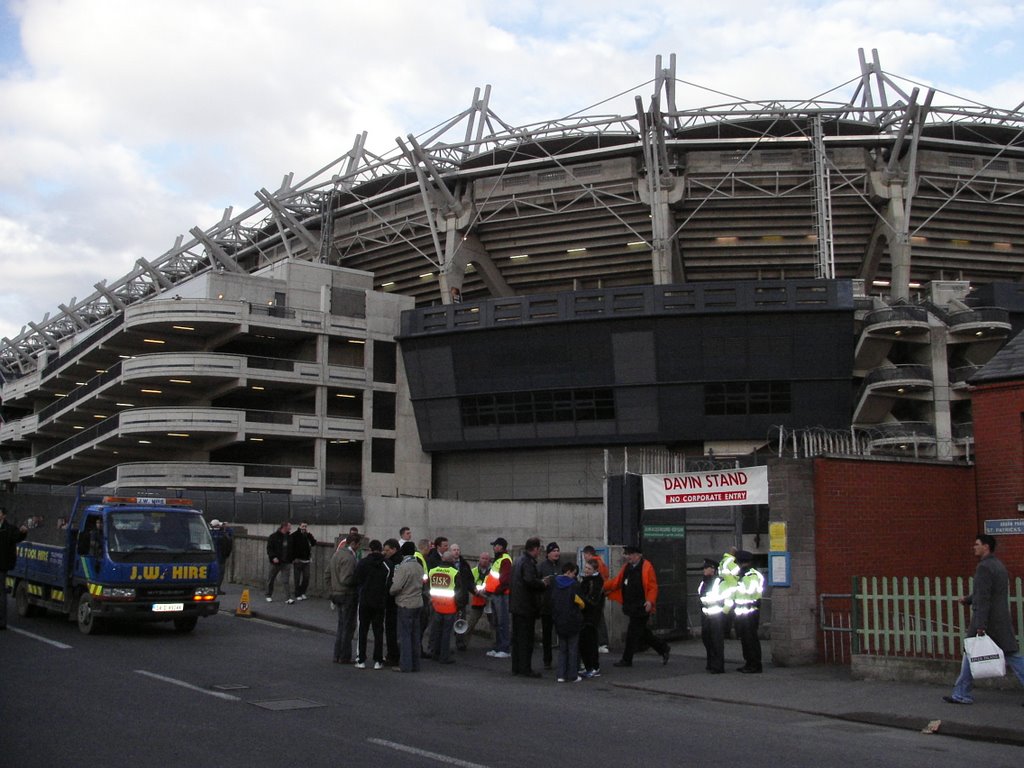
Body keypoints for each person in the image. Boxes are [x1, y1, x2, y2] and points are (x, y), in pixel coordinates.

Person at [944, 534, 1024, 705]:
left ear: (986, 547)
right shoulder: (998, 565)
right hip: (999, 619)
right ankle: (960, 692)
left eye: (977, 544)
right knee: (976, 655)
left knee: (1010, 658)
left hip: (987, 621)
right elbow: (987, 593)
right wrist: (968, 599)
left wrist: (981, 625)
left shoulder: (984, 568)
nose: (974, 547)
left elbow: (985, 598)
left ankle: (961, 693)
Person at [605, 545, 671, 667]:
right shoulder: (627, 568)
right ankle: (663, 648)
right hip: (631, 606)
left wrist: (650, 601)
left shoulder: (647, 567)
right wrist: (604, 586)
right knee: (642, 632)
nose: (627, 556)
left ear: (638, 555)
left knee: (632, 633)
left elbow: (652, 587)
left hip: (642, 606)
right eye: (627, 554)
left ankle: (626, 659)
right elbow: (617, 582)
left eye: (630, 554)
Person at [510, 536, 549, 677]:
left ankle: (517, 667)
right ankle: (525, 668)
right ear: (536, 548)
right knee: (526, 639)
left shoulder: (518, 560)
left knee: (518, 639)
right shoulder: (527, 562)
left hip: (516, 605)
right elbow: (529, 580)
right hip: (525, 606)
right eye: (539, 549)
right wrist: (542, 583)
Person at [390, 540, 424, 672]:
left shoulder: (404, 567)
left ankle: (405, 664)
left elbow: (396, 587)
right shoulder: (419, 566)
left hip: (405, 603)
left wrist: (391, 591)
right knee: (415, 636)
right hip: (418, 602)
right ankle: (416, 664)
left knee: (404, 636)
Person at [354, 539, 389, 669]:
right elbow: (389, 582)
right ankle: (378, 660)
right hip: (379, 601)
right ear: (380, 549)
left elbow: (356, 579)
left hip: (365, 600)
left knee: (363, 630)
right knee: (378, 631)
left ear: (370, 549)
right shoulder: (386, 564)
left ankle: (361, 659)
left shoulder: (363, 563)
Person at [330, 532, 362, 664]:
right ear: (353, 543)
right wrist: (358, 580)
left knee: (341, 625)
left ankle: (337, 655)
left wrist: (332, 589)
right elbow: (346, 579)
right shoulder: (349, 558)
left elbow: (327, 574)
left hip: (337, 593)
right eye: (359, 544)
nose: (359, 547)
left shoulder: (336, 555)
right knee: (348, 627)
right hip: (347, 595)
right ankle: (344, 656)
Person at [551, 562, 585, 683]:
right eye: (574, 573)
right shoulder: (574, 585)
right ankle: (573, 675)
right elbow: (581, 603)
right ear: (569, 572)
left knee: (562, 649)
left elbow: (552, 600)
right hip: (572, 619)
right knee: (573, 648)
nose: (574, 576)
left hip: (559, 619)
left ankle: (561, 674)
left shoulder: (554, 583)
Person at [732, 550, 764, 673]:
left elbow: (750, 592)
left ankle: (755, 664)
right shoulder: (743, 576)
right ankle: (748, 663)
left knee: (751, 639)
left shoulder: (752, 576)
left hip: (750, 612)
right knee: (745, 640)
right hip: (742, 613)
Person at [427, 550, 461, 664]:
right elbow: (459, 591)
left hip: (436, 605)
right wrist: (460, 605)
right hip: (449, 607)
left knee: (437, 630)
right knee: (446, 632)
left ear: (442, 559)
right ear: (452, 560)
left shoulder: (432, 571)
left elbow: (427, 587)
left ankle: (435, 653)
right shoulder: (454, 572)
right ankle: (444, 656)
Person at [0, 507, 29, 630]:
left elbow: (17, 536)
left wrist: (23, 532)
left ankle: (2, 622)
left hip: (1, 565)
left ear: (4, 516)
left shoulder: (9, 529)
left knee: (1, 594)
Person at [484, 537, 513, 659]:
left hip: (501, 595)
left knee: (502, 622)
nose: (493, 548)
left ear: (500, 547)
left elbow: (505, 579)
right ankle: (498, 647)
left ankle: (504, 648)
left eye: (495, 545)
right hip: (496, 594)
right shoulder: (499, 559)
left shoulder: (505, 560)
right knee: (497, 622)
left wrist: (496, 591)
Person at [698, 558, 727, 674]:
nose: (704, 570)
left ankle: (718, 666)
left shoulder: (718, 582)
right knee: (707, 640)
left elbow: (723, 599)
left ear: (713, 569)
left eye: (706, 568)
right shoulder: (703, 582)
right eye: (704, 568)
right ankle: (710, 662)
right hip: (706, 616)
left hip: (716, 616)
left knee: (716, 641)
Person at [578, 557, 605, 678]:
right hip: (587, 615)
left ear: (594, 569)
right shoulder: (588, 580)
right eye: (586, 567)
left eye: (589, 568)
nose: (586, 570)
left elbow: (593, 600)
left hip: (591, 616)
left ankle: (594, 667)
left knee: (591, 642)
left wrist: (582, 601)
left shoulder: (595, 581)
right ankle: (589, 666)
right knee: (585, 642)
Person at [461, 551, 493, 650]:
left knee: (494, 624)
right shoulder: (473, 571)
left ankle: (496, 645)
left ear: (489, 560)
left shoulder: (493, 572)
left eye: (486, 559)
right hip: (478, 599)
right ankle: (463, 643)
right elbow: (470, 583)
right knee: (471, 623)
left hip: (490, 599)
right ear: (479, 559)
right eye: (482, 558)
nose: (484, 561)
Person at [538, 542, 563, 670]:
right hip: (546, 605)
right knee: (547, 635)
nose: (556, 553)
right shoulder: (542, 566)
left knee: (563, 633)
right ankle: (547, 660)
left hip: (560, 605)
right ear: (548, 553)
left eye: (558, 550)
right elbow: (536, 583)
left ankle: (564, 660)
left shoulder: (562, 566)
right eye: (553, 551)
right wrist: (542, 583)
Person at [583, 545, 611, 653]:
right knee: (599, 618)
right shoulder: (601, 562)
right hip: (602, 593)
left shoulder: (595, 563)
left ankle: (602, 643)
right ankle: (601, 642)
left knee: (598, 619)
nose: (584, 558)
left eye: (585, 555)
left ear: (588, 554)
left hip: (596, 595)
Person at [448, 543, 475, 651]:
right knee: (449, 622)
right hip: (449, 599)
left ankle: (460, 642)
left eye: (458, 550)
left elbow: (470, 580)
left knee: (460, 622)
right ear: (450, 552)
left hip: (462, 597)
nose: (456, 552)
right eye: (454, 550)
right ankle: (447, 645)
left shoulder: (464, 564)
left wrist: (474, 590)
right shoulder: (447, 565)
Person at [382, 537, 402, 667]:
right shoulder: (403, 561)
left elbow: (391, 583)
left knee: (391, 629)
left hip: (392, 600)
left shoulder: (391, 563)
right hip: (403, 601)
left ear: (394, 549)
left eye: (387, 550)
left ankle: (392, 655)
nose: (385, 553)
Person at [265, 521, 293, 603]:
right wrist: (273, 557)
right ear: (284, 527)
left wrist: (292, 558)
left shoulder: (289, 537)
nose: (290, 528)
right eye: (289, 526)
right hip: (276, 562)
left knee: (286, 580)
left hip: (286, 562)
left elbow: (292, 549)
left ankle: (288, 598)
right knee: (271, 578)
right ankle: (268, 595)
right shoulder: (273, 536)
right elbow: (269, 548)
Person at [290, 521, 317, 601]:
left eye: (305, 526)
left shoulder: (307, 535)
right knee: (297, 579)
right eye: (303, 526)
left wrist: (309, 535)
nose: (304, 528)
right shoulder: (294, 535)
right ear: (300, 526)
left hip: (306, 560)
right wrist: (293, 558)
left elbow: (313, 543)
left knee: (306, 577)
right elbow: (291, 548)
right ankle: (297, 593)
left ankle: (302, 592)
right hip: (298, 560)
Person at [209, 519, 233, 595]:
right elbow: (230, 534)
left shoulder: (210, 534)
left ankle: (211, 588)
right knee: (220, 574)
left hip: (211, 557)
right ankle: (217, 589)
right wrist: (225, 527)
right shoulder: (222, 534)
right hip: (220, 557)